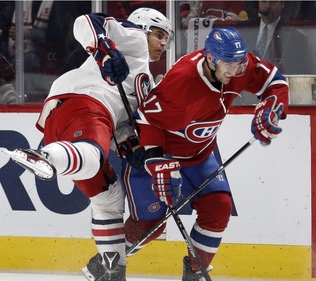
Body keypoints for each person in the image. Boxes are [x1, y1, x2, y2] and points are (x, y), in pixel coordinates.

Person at [3, 8, 173, 281]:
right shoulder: (134, 38)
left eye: (167, 39)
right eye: (160, 35)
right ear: (143, 28)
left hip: (65, 125)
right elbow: (86, 21)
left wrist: (132, 148)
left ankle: (111, 272)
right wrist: (104, 50)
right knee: (93, 158)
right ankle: (44, 157)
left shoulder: (144, 81)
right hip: (86, 106)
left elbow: (121, 126)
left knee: (109, 198)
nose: (164, 44)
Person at [123, 26, 289, 281]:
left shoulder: (239, 64)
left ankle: (195, 271)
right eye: (229, 65)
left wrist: (271, 107)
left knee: (219, 208)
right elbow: (147, 119)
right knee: (149, 227)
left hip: (201, 154)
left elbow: (275, 81)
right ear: (211, 59)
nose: (235, 72)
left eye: (239, 63)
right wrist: (156, 161)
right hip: (165, 156)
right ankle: (107, 260)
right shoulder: (183, 80)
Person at [236, 0, 313, 74]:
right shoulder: (243, 28)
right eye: (264, 1)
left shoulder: (296, 38)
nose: (267, 6)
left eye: (273, 1)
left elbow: (298, 72)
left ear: (282, 3)